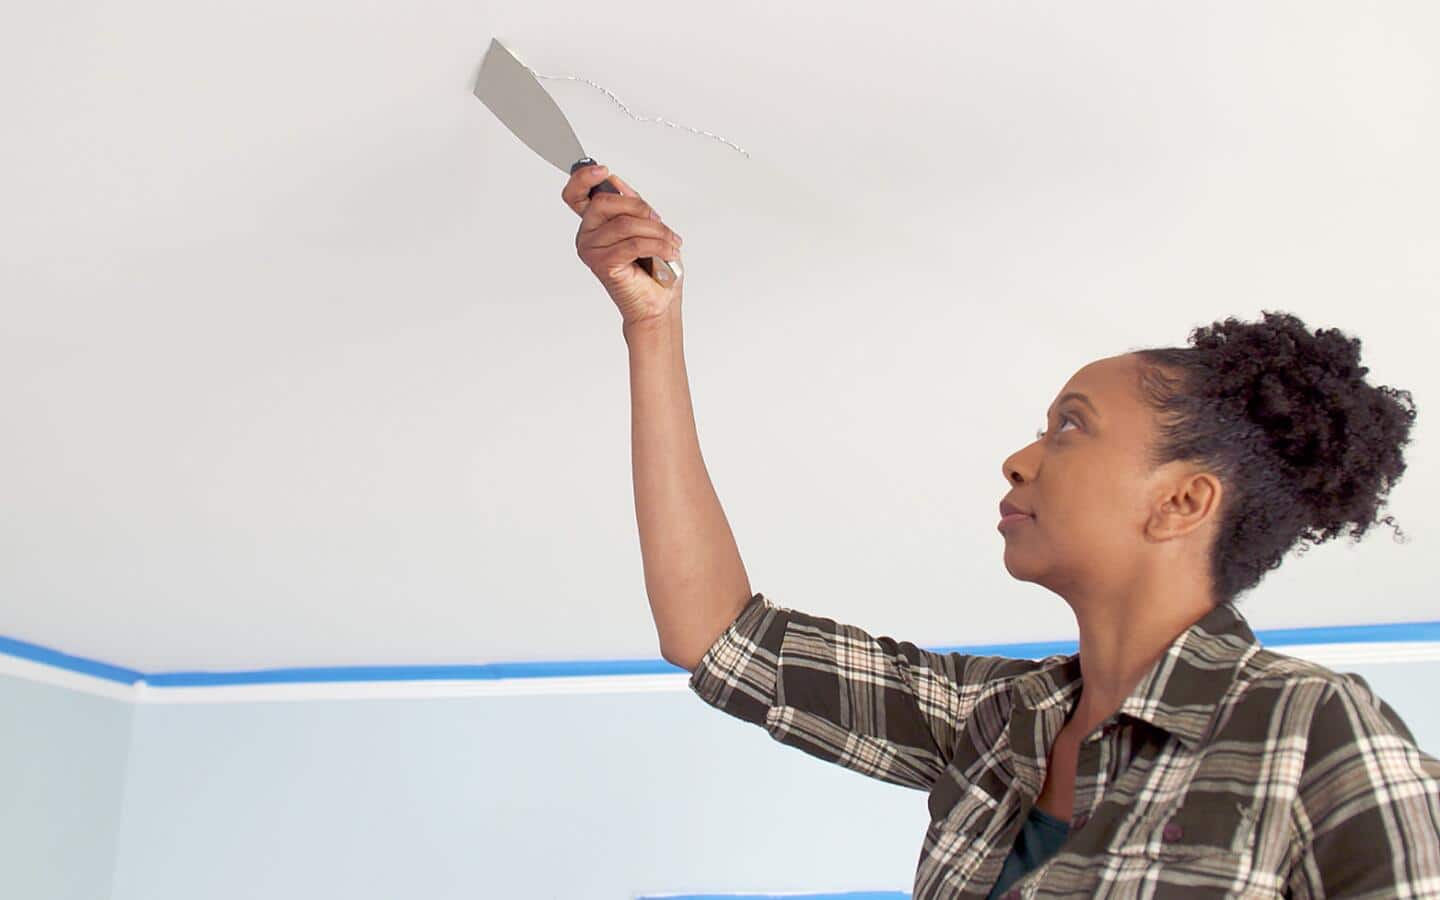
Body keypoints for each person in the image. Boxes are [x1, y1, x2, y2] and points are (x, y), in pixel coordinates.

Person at [560, 164, 1440, 899]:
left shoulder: (1308, 731)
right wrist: (653, 327)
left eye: (1071, 426)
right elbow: (716, 637)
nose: (1020, 459)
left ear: (1182, 502)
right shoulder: (997, 723)